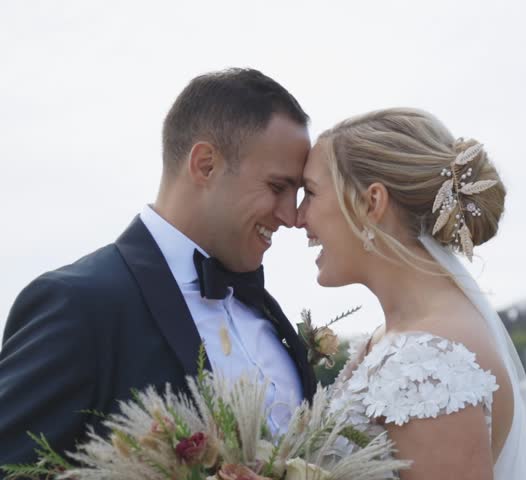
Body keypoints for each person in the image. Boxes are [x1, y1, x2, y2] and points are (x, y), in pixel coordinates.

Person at [0, 68, 316, 466]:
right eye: (277, 187)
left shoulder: (265, 311)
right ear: (205, 165)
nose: (291, 215)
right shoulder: (78, 304)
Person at [296, 108, 526, 479]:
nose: (298, 217)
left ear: (371, 203)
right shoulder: (402, 339)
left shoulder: (427, 363)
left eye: (310, 193)